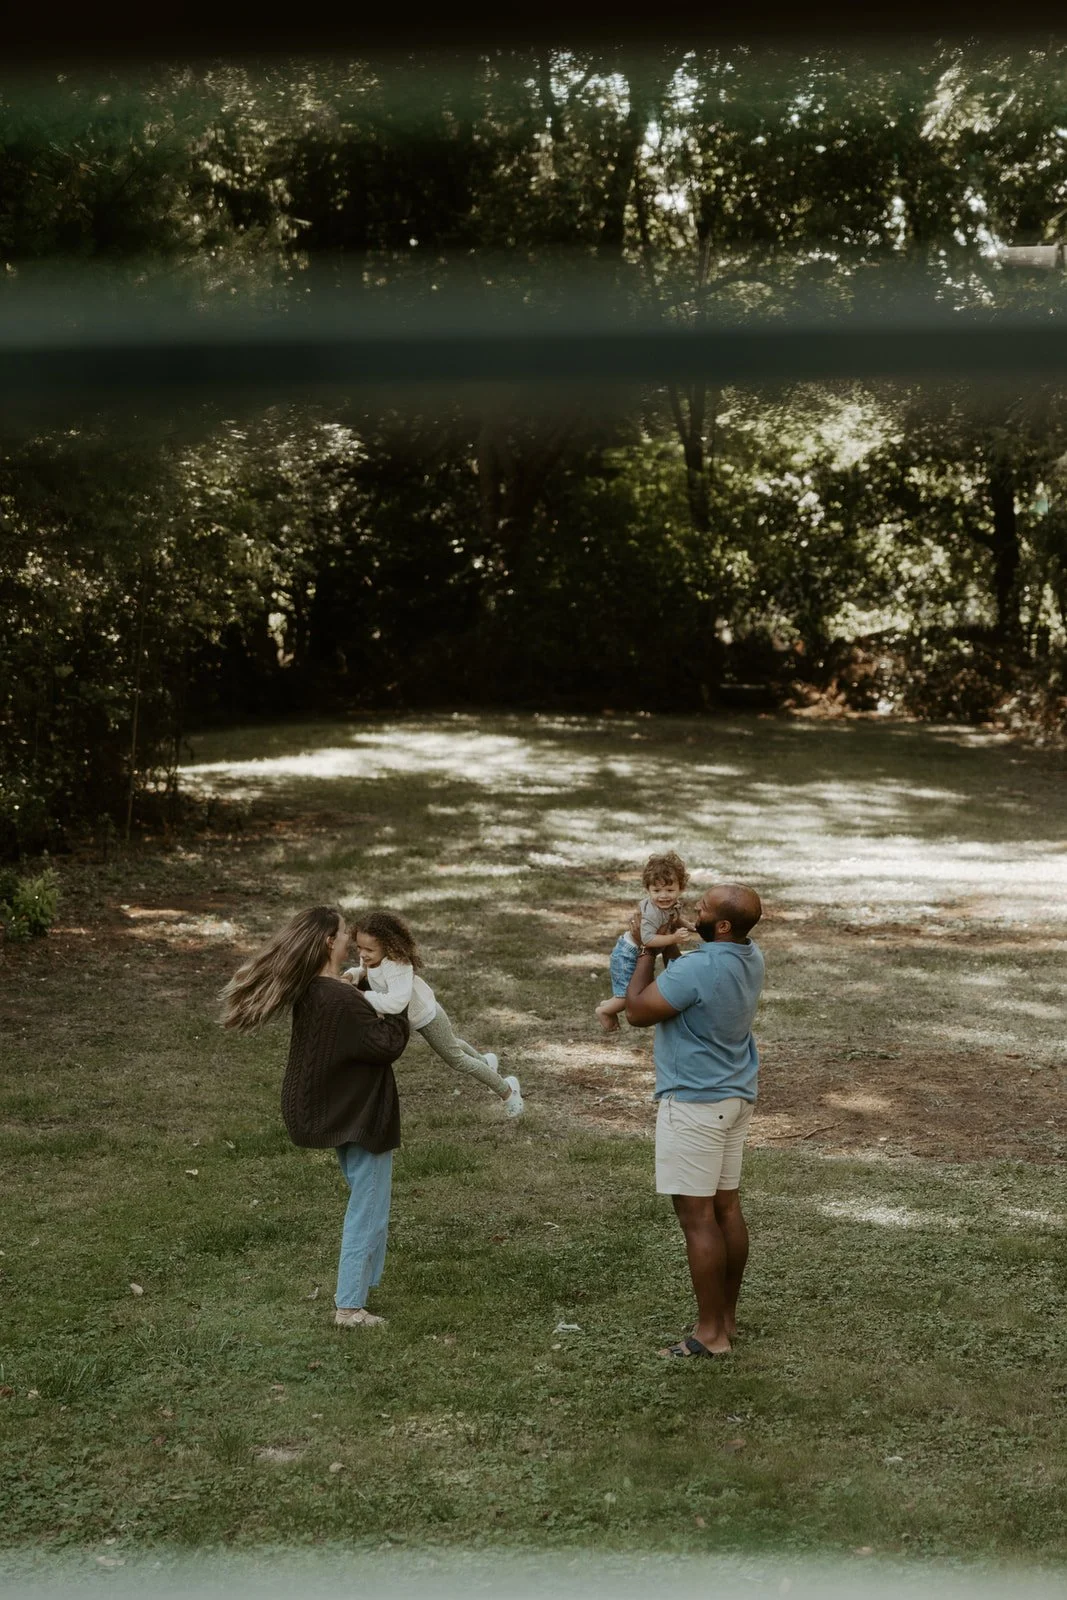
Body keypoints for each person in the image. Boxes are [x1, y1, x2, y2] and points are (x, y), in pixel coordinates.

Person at [218, 905, 409, 1330]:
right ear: (329, 942)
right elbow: (387, 1045)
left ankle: (362, 1285)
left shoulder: (317, 990)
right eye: (345, 933)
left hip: (342, 1108)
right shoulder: (340, 998)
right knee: (367, 1203)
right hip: (358, 1116)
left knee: (373, 1200)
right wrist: (400, 1002)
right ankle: (349, 1307)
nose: (351, 940)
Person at [625, 882, 765, 1358]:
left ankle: (709, 1337)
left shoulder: (699, 966)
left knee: (697, 1217)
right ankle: (725, 1318)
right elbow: (688, 989)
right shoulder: (748, 956)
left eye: (701, 910)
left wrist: (646, 947)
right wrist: (674, 954)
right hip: (733, 1098)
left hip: (694, 1103)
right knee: (726, 1208)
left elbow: (639, 1011)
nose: (692, 913)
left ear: (722, 925)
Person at [344, 909, 524, 1119]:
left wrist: (361, 996)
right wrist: (352, 975)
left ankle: (508, 1091)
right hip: (417, 1016)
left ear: (388, 946)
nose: (362, 954)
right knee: (452, 1045)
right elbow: (367, 973)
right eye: (359, 947)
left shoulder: (397, 965)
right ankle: (485, 1063)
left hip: (427, 1015)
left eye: (369, 950)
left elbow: (395, 1002)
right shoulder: (372, 959)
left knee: (456, 1059)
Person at [595, 850, 695, 1033]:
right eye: (656, 890)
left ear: (681, 888)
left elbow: (674, 918)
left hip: (638, 950)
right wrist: (674, 938)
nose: (663, 896)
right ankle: (604, 1011)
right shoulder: (651, 913)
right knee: (628, 997)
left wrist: (689, 926)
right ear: (647, 889)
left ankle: (610, 1003)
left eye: (670, 890)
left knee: (642, 990)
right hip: (628, 953)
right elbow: (647, 939)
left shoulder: (670, 905)